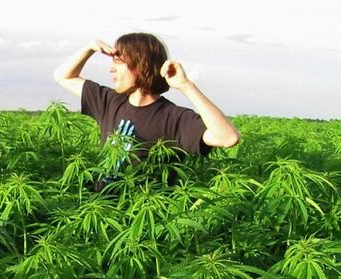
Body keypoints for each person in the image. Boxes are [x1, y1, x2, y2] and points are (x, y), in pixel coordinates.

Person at [53, 33, 239, 189]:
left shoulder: (173, 118)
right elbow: (63, 77)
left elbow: (228, 138)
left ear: (141, 65)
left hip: (143, 216)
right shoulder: (109, 102)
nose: (111, 69)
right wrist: (90, 47)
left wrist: (186, 85)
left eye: (118, 61)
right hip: (104, 212)